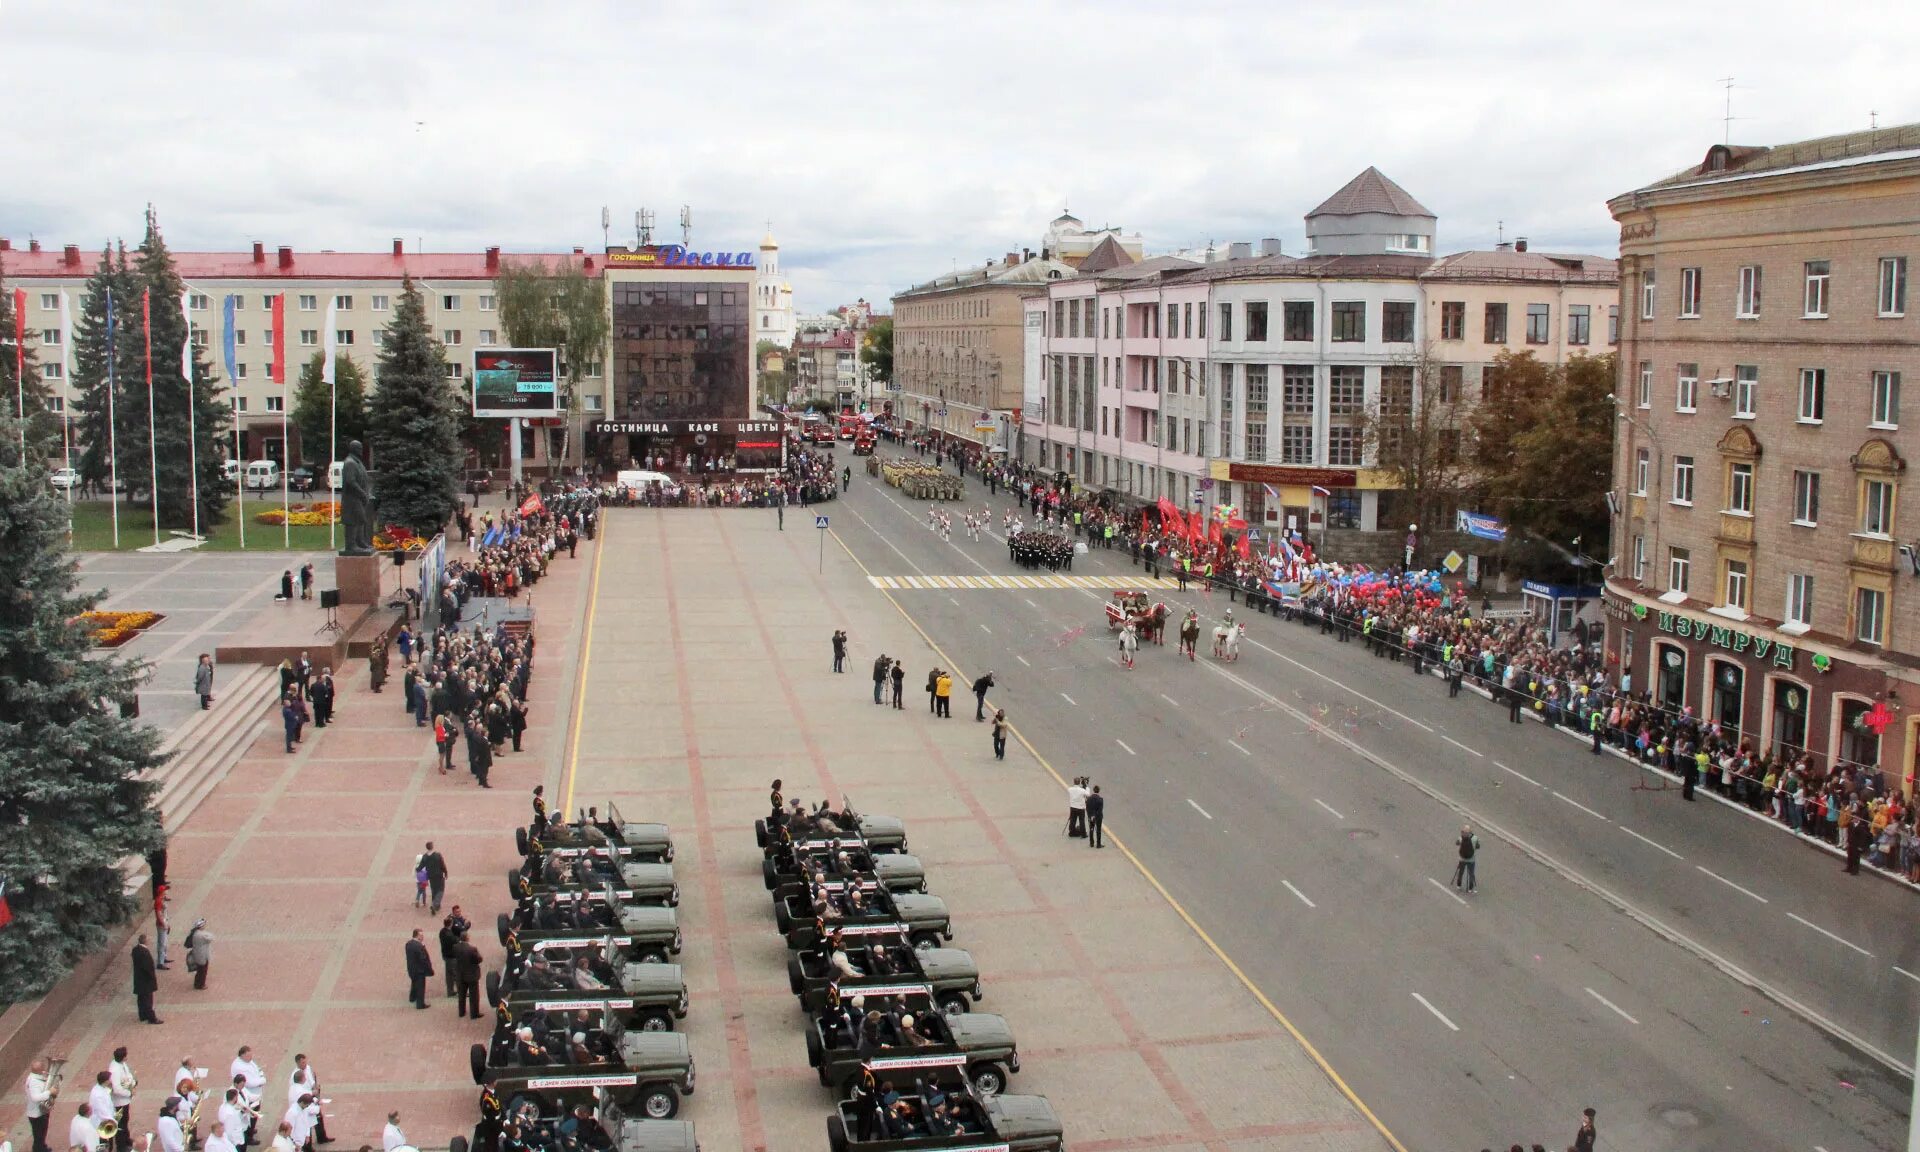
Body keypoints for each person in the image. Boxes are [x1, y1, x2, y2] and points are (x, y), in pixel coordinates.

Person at [288, 1057, 329, 1146]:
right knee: (307, 1125)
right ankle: (308, 1146)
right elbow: (302, 1096)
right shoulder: (296, 1083)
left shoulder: (308, 1068)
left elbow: (311, 1079)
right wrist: (316, 1104)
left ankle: (321, 1137)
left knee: (318, 1119)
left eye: (305, 1062)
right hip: (307, 1100)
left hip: (310, 1096)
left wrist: (315, 1088)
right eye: (302, 1062)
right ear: (298, 1063)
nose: (305, 1064)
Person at [108, 1048, 136, 1152]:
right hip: (119, 1102)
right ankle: (121, 1145)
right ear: (123, 1057)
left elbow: (128, 1075)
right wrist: (129, 1093)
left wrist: (132, 1083)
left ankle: (126, 1139)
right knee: (120, 1124)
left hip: (125, 1100)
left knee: (125, 1120)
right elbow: (116, 1089)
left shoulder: (122, 1064)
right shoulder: (114, 1070)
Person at [24, 1058, 54, 1152]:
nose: (45, 1070)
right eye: (43, 1069)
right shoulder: (34, 1082)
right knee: (39, 1135)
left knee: (41, 1134)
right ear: (39, 1070)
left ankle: (42, 1146)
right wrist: (49, 1092)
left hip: (40, 1112)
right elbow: (35, 1097)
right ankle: (39, 1149)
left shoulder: (34, 1078)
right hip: (37, 1114)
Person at [453, 931, 484, 1019]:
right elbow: (479, 959)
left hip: (460, 974)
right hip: (471, 975)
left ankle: (461, 1012)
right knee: (474, 995)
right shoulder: (472, 949)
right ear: (467, 938)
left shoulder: (455, 947)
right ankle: (474, 1013)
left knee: (461, 994)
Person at [132, 934, 162, 1023]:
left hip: (138, 979)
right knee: (148, 1000)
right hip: (146, 980)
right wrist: (152, 977)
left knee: (141, 999)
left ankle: (143, 1015)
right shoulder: (144, 952)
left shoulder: (135, 950)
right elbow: (148, 967)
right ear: (145, 941)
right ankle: (152, 1018)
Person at [404, 928, 433, 1008]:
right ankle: (420, 1004)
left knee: (414, 983)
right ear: (418, 935)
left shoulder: (408, 944)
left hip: (411, 968)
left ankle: (412, 997)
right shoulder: (419, 946)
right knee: (420, 987)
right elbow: (423, 959)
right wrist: (429, 969)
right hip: (419, 970)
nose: (423, 937)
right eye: (421, 935)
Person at [417, 843, 447, 914]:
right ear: (432, 847)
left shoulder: (424, 857)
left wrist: (417, 870)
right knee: (440, 890)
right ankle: (435, 905)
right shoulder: (437, 855)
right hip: (439, 875)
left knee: (434, 890)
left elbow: (420, 867)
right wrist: (445, 872)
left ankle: (436, 905)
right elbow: (442, 864)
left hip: (431, 876)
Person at [184, 918, 213, 989]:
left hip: (198, 954)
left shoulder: (195, 933)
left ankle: (197, 983)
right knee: (202, 971)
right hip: (202, 956)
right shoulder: (200, 935)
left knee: (199, 971)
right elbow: (210, 938)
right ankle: (200, 984)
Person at [1452, 825, 1480, 893]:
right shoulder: (1475, 838)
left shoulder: (1461, 838)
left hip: (1462, 859)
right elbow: (1478, 846)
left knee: (1460, 872)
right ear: (1470, 832)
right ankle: (1470, 888)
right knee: (1471, 874)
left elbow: (1456, 843)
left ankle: (1459, 885)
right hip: (1471, 860)